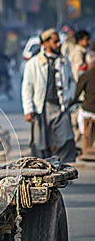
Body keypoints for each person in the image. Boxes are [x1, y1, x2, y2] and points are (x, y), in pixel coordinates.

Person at [21, 28, 76, 163]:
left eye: (59, 42)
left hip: (60, 106)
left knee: (66, 138)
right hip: (41, 107)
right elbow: (27, 87)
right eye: (55, 41)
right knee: (40, 142)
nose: (58, 44)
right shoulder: (33, 63)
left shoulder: (64, 61)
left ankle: (62, 170)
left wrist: (69, 97)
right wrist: (28, 110)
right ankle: (42, 172)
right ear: (45, 43)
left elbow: (72, 81)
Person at [70, 50, 95, 137]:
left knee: (83, 131)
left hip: (88, 110)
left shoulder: (85, 76)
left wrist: (69, 104)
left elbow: (76, 94)